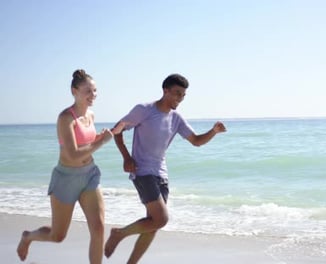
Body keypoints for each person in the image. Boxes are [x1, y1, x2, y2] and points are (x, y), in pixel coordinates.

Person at [104, 73, 226, 263]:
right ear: (165, 91)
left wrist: (214, 131)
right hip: (143, 172)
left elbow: (196, 141)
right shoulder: (144, 110)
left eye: (183, 95)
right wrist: (127, 157)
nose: (180, 98)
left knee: (152, 225)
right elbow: (118, 129)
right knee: (161, 219)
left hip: (161, 174)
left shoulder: (176, 118)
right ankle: (119, 234)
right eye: (177, 93)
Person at [16, 69, 123, 264]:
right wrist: (103, 142)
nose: (93, 96)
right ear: (74, 91)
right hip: (66, 178)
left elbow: (86, 143)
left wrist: (101, 136)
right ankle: (28, 237)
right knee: (58, 236)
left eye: (95, 91)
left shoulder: (91, 114)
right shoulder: (66, 118)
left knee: (98, 228)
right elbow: (73, 155)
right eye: (88, 91)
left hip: (90, 174)